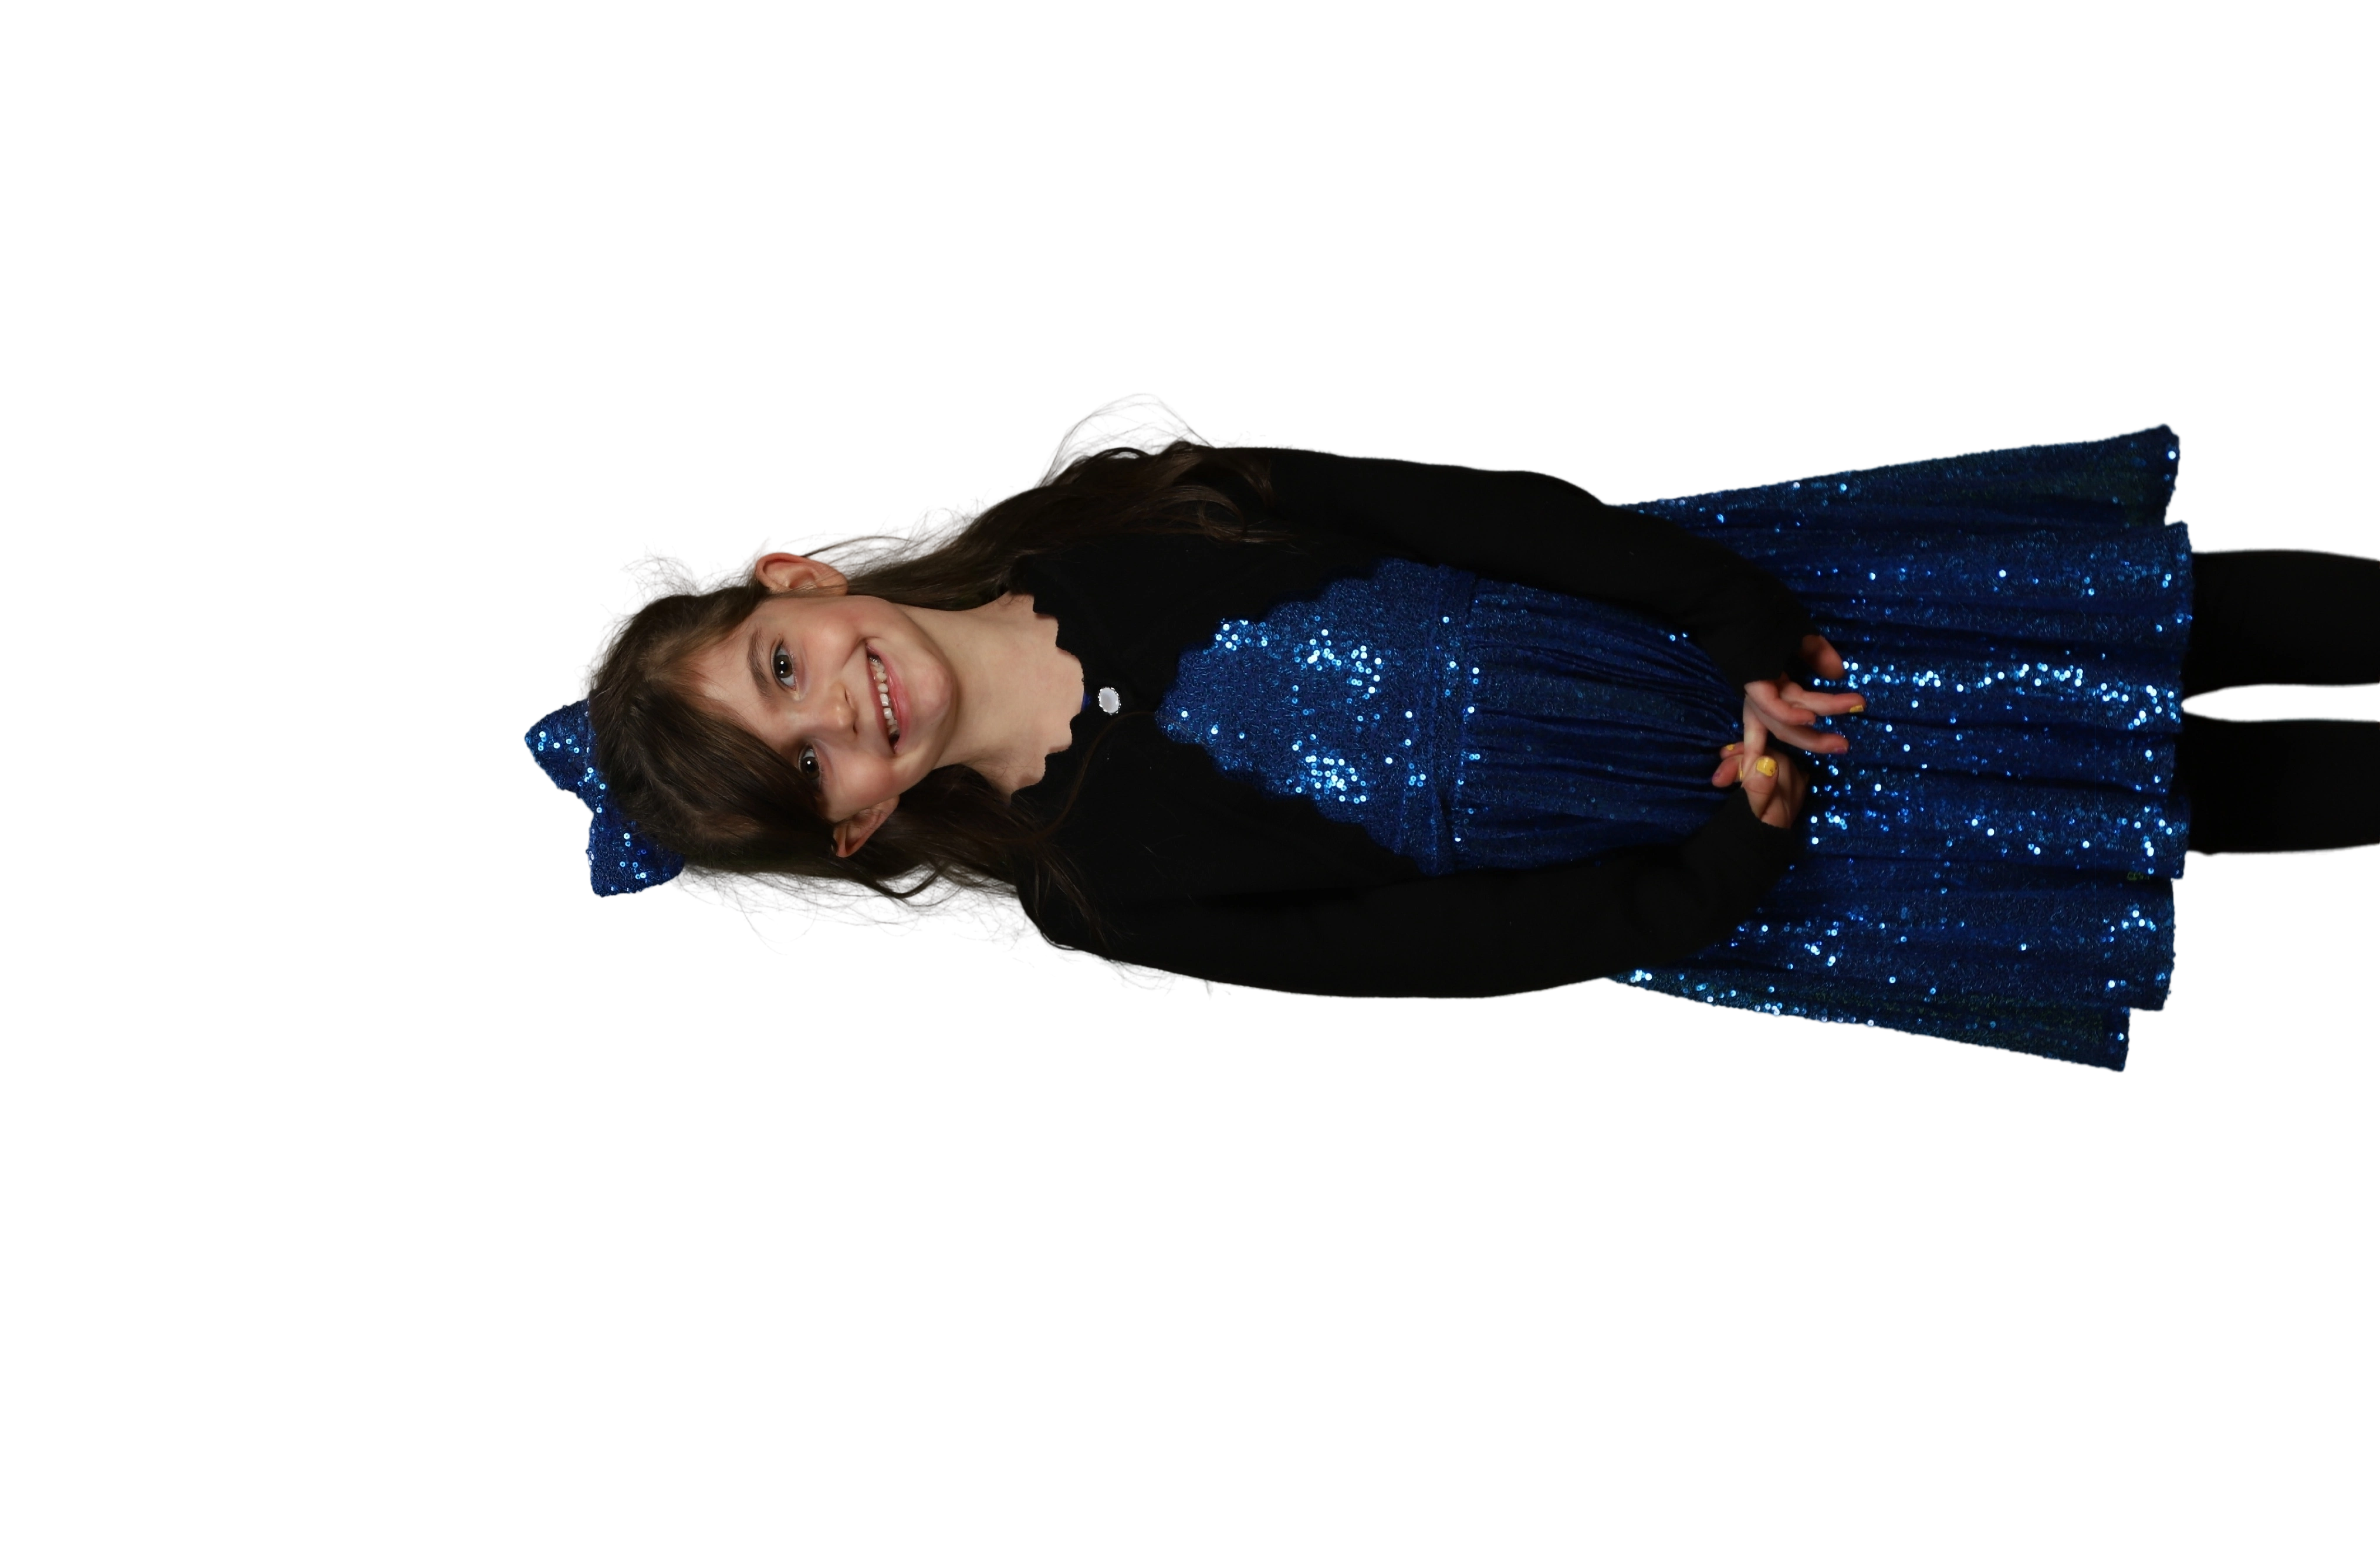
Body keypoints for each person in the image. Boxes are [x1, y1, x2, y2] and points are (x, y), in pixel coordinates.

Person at [527, 389, 2380, 1074]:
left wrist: (1732, 620)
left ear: (795, 578)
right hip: (1726, 831)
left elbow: (1479, 516)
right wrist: (1715, 867)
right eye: (810, 768)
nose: (839, 712)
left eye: (785, 671)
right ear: (855, 830)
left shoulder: (1133, 505)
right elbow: (1437, 948)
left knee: (2179, 619)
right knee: (2198, 792)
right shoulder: (1109, 895)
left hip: (1746, 618)